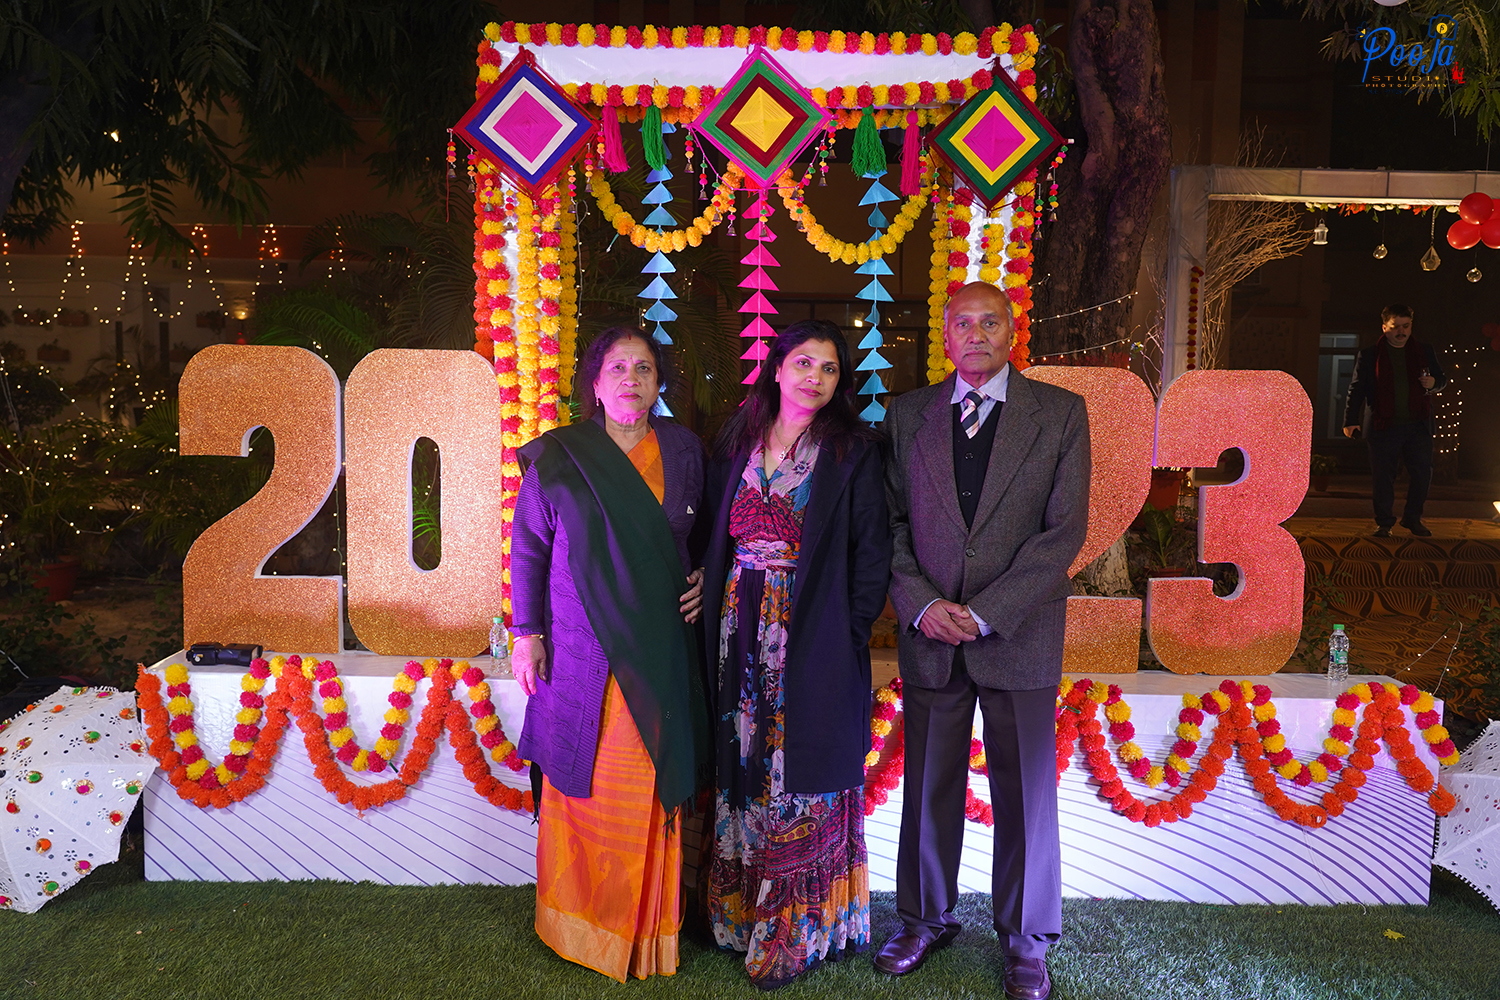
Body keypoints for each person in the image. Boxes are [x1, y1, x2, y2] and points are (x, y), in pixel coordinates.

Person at [877, 282, 1089, 1000]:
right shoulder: (907, 415)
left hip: (1019, 633)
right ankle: (923, 919)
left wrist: (988, 610)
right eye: (962, 323)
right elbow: (890, 525)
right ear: (946, 336)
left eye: (989, 322)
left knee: (1025, 795)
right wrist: (921, 603)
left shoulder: (1060, 414)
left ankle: (1026, 939)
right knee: (927, 787)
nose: (976, 334)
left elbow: (1063, 532)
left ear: (1011, 330)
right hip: (932, 635)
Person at [509, 326, 710, 982]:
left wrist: (707, 575)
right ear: (594, 384)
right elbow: (530, 546)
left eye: (644, 368)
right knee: (585, 777)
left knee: (647, 780)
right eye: (617, 367)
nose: (631, 379)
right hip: (582, 653)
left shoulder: (684, 450)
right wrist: (527, 632)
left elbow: (712, 533)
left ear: (659, 382)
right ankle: (578, 923)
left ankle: (648, 931)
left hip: (660, 650)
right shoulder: (561, 455)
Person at [699, 320, 892, 989]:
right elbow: (710, 531)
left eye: (829, 368)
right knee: (743, 761)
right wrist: (701, 581)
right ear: (777, 368)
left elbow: (873, 554)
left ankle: (796, 930)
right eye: (804, 363)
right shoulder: (737, 440)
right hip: (737, 626)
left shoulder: (851, 453)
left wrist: (847, 632)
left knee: (799, 773)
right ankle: (737, 916)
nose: (815, 377)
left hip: (813, 632)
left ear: (841, 382)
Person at [1342, 303, 1448, 538]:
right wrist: (1350, 420)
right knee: (1383, 477)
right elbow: (1357, 389)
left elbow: (1441, 378)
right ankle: (1384, 523)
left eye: (1406, 326)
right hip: (1383, 425)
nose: (1401, 331)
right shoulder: (1370, 355)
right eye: (1395, 327)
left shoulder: (1424, 351)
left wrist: (1434, 383)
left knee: (1422, 473)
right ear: (1384, 328)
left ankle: (1412, 518)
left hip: (1418, 424)